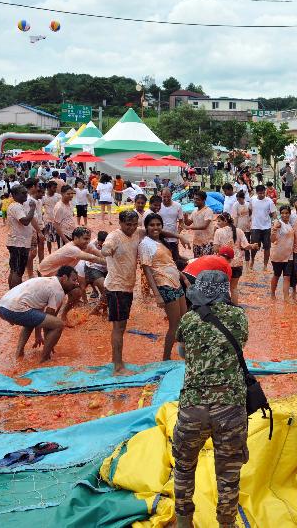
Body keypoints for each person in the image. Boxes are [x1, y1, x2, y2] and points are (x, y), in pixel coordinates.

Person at [173, 270, 249, 528]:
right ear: (225, 291)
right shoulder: (239, 317)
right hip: (230, 408)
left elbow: (182, 352)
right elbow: (239, 345)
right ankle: (226, 524)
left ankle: (184, 523)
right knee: (228, 472)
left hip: (192, 407)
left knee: (184, 468)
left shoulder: (188, 320)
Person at [102, 210, 186, 374]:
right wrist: (105, 251)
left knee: (121, 326)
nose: (132, 228)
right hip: (116, 287)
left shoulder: (137, 233)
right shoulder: (114, 236)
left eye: (134, 224)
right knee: (118, 328)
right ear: (120, 223)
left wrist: (179, 236)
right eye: (128, 224)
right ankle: (118, 367)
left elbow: (157, 230)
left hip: (127, 286)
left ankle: (116, 360)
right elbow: (106, 248)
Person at [0, 266, 79, 362]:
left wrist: (38, 335)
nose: (76, 283)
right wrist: (49, 342)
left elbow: (39, 315)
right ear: (64, 278)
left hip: (2, 307)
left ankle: (19, 353)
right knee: (59, 324)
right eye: (73, 280)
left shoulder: (47, 280)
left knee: (30, 318)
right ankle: (44, 360)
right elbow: (50, 320)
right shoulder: (58, 290)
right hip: (14, 309)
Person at [139, 213, 187, 361]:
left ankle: (185, 353)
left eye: (158, 224)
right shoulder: (145, 244)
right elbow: (147, 270)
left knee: (184, 321)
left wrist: (183, 277)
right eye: (152, 225)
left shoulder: (161, 241)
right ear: (146, 227)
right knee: (174, 325)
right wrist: (157, 294)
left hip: (176, 283)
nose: (155, 227)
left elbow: (169, 263)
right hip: (164, 285)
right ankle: (165, 358)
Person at [213, 212, 257, 306]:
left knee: (221, 288)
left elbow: (216, 249)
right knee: (234, 288)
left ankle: (222, 308)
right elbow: (246, 246)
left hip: (223, 264)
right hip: (237, 264)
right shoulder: (239, 231)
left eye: (219, 221)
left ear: (225, 221)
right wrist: (252, 246)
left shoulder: (218, 231)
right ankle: (235, 308)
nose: (217, 223)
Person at [6, 185, 37, 289]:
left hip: (18, 242)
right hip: (18, 243)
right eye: (23, 193)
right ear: (14, 195)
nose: (26, 195)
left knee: (14, 269)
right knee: (18, 271)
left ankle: (11, 293)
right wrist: (32, 208)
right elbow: (25, 221)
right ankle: (15, 294)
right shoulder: (16, 206)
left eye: (26, 193)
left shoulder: (18, 205)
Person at [249, 185, 277, 271]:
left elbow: (274, 213)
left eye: (263, 193)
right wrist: (249, 220)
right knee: (254, 246)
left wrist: (275, 222)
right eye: (259, 193)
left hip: (266, 227)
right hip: (255, 226)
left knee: (267, 247)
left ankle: (265, 265)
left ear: (265, 192)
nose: (261, 195)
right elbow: (250, 210)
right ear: (256, 192)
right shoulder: (252, 199)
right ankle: (252, 261)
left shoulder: (269, 201)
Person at [270, 205, 295, 301]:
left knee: (287, 277)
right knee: (276, 275)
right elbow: (272, 240)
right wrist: (273, 231)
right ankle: (272, 293)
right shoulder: (278, 224)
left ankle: (286, 297)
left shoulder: (290, 225)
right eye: (283, 213)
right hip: (278, 255)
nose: (285, 215)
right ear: (280, 214)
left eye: (287, 213)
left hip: (289, 255)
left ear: (289, 214)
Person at [184, 190, 215, 258]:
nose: (195, 201)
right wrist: (185, 217)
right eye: (194, 199)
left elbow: (204, 226)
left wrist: (190, 227)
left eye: (197, 199)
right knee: (197, 262)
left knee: (206, 263)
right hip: (196, 242)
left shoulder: (208, 211)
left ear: (204, 200)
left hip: (207, 242)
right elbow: (188, 223)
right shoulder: (194, 211)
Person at [41, 180, 62, 252]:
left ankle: (59, 253)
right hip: (48, 221)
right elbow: (40, 207)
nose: (55, 189)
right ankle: (50, 253)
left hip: (58, 221)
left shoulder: (58, 196)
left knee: (59, 238)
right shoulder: (43, 197)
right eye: (54, 188)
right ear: (49, 188)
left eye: (56, 188)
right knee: (48, 239)